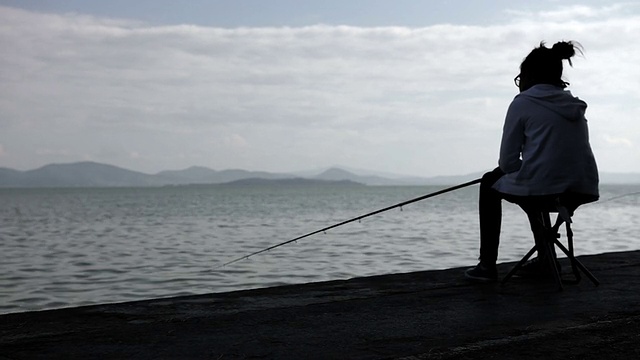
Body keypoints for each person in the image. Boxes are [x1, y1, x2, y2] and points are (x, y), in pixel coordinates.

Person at [465, 40, 599, 282]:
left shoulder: (523, 103)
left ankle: (486, 265)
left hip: (543, 188)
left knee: (490, 182)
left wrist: (510, 171)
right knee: (535, 182)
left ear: (528, 76)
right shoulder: (573, 105)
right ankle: (548, 262)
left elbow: (507, 163)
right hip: (581, 189)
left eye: (520, 78)